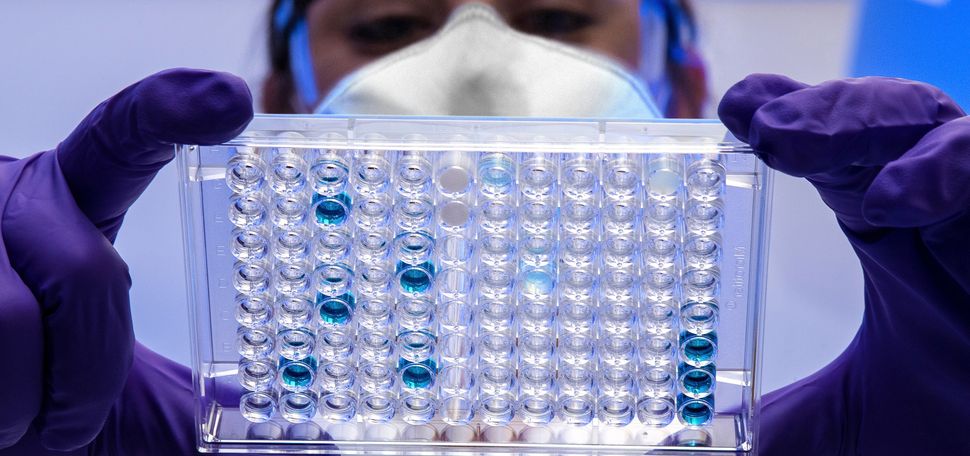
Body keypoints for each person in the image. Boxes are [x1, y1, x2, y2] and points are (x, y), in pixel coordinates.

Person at [0, 1, 967, 454]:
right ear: (281, 102)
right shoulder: (96, 410)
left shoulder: (877, 410)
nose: (473, 63)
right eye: (387, 26)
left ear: (686, 89)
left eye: (553, 16)